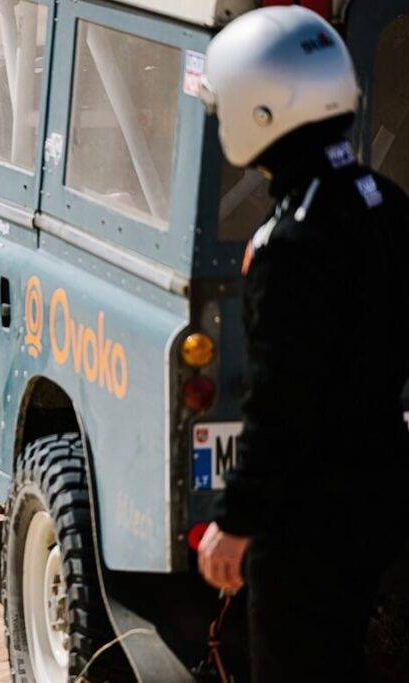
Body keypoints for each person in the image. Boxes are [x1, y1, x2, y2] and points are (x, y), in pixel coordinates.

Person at [195, 6, 409, 680]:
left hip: (310, 520)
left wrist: (235, 519)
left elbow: (279, 401)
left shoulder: (289, 243)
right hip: (385, 492)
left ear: (261, 112)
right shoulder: (384, 197)